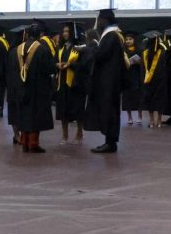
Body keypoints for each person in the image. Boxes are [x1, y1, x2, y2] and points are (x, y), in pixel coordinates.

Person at [85, 9, 127, 153]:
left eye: (100, 20)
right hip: (112, 80)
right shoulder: (116, 35)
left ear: (105, 20)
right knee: (111, 110)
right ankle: (110, 141)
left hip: (109, 81)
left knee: (110, 111)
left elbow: (101, 54)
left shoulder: (111, 36)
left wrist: (91, 46)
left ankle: (110, 142)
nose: (98, 23)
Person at [19, 21, 57, 153]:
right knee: (36, 115)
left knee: (24, 114)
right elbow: (50, 68)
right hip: (38, 88)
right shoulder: (42, 49)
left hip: (22, 87)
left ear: (27, 34)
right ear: (39, 35)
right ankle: (33, 143)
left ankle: (24, 141)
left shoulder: (18, 49)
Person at [54, 23, 86, 145]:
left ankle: (79, 133)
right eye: (64, 31)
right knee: (63, 110)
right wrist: (57, 65)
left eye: (67, 31)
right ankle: (65, 135)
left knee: (77, 109)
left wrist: (70, 65)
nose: (65, 34)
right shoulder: (61, 48)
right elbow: (54, 61)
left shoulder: (79, 48)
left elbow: (84, 65)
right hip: (62, 82)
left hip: (76, 83)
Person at [141, 31, 168, 129]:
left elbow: (142, 70)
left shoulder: (147, 53)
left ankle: (153, 120)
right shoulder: (160, 52)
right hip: (158, 80)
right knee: (156, 100)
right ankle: (157, 120)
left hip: (150, 80)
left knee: (152, 99)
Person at [121, 32, 145, 126]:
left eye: (130, 39)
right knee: (127, 97)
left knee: (138, 96)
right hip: (127, 76)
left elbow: (143, 62)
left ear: (134, 40)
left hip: (137, 75)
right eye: (126, 39)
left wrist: (139, 62)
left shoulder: (139, 50)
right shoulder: (123, 51)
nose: (128, 41)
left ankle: (140, 115)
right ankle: (129, 117)